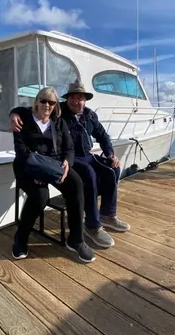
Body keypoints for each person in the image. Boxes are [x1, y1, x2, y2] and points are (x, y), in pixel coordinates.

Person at [10, 80, 130, 249]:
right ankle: (92, 225)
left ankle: (107, 215)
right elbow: (31, 108)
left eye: (80, 98)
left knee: (112, 169)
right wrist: (13, 113)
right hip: (63, 161)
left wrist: (110, 154)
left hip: (82, 156)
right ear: (67, 100)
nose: (76, 101)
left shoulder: (89, 115)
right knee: (88, 174)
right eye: (73, 98)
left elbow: (102, 136)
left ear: (85, 100)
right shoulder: (59, 112)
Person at [10, 86, 96, 264]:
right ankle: (20, 238)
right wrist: (39, 171)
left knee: (76, 183)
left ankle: (76, 239)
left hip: (55, 166)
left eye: (51, 102)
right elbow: (21, 151)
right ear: (36, 101)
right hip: (27, 167)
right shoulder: (23, 120)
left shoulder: (58, 122)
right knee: (40, 196)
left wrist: (67, 162)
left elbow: (69, 148)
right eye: (43, 100)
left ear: (56, 105)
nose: (47, 105)